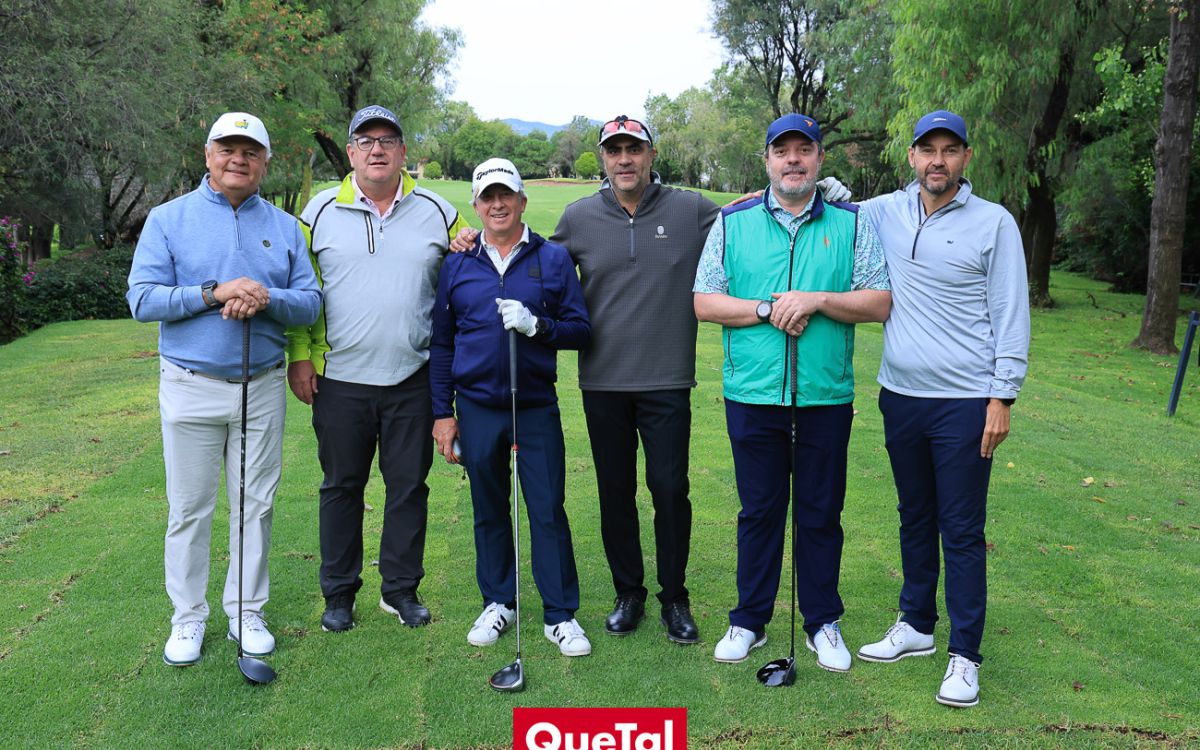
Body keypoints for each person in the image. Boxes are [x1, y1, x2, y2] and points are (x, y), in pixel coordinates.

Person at [452, 115, 720, 645]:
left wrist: (810, 196)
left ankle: (674, 597)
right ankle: (629, 592)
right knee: (614, 491)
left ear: (650, 155)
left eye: (633, 149)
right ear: (604, 159)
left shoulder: (690, 210)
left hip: (667, 378)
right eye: (614, 150)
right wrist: (471, 240)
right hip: (602, 381)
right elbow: (529, 259)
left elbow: (748, 219)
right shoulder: (578, 218)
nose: (624, 159)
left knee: (670, 489)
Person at [693, 113, 891, 671]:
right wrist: (768, 309)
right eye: (782, 151)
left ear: (820, 159)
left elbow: (878, 300)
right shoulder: (733, 221)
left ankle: (823, 622)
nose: (793, 160)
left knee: (820, 513)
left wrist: (816, 299)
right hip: (753, 394)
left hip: (824, 395)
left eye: (804, 150)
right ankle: (749, 620)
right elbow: (705, 301)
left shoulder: (851, 223)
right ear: (767, 161)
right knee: (759, 512)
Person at [127, 111, 322, 667]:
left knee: (255, 504)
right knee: (190, 508)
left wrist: (264, 297)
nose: (239, 159)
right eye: (228, 149)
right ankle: (187, 617)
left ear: (265, 162)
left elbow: (310, 302)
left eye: (250, 151)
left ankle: (245, 610)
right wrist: (215, 293)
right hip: (190, 384)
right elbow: (142, 299)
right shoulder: (168, 219)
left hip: (261, 385)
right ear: (208, 155)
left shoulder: (284, 226)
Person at [850, 110, 1030, 708]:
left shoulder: (994, 222)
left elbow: (1011, 312)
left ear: (965, 158)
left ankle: (965, 655)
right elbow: (824, 201)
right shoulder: (885, 211)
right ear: (911, 156)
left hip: (965, 402)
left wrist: (1002, 396)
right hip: (901, 396)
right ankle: (917, 625)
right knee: (914, 516)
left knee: (962, 529)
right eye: (928, 149)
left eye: (950, 150)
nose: (938, 160)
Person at [285, 105, 469, 633]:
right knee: (342, 487)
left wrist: (469, 242)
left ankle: (401, 590)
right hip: (340, 378)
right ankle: (339, 593)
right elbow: (299, 290)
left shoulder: (437, 210)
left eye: (387, 140)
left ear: (403, 151)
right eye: (365, 141)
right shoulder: (318, 212)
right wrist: (300, 355)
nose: (377, 150)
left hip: (413, 377)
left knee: (408, 487)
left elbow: (467, 269)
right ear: (350, 153)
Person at [430, 158, 593, 656]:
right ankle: (499, 602)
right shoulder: (458, 262)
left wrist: (537, 325)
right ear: (476, 206)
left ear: (522, 201)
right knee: (489, 509)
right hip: (477, 407)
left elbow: (581, 330)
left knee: (546, 509)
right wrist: (442, 413)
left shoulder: (553, 259)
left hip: (536, 405)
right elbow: (442, 343)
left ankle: (560, 614)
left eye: (506, 195)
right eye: (488, 197)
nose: (497, 204)